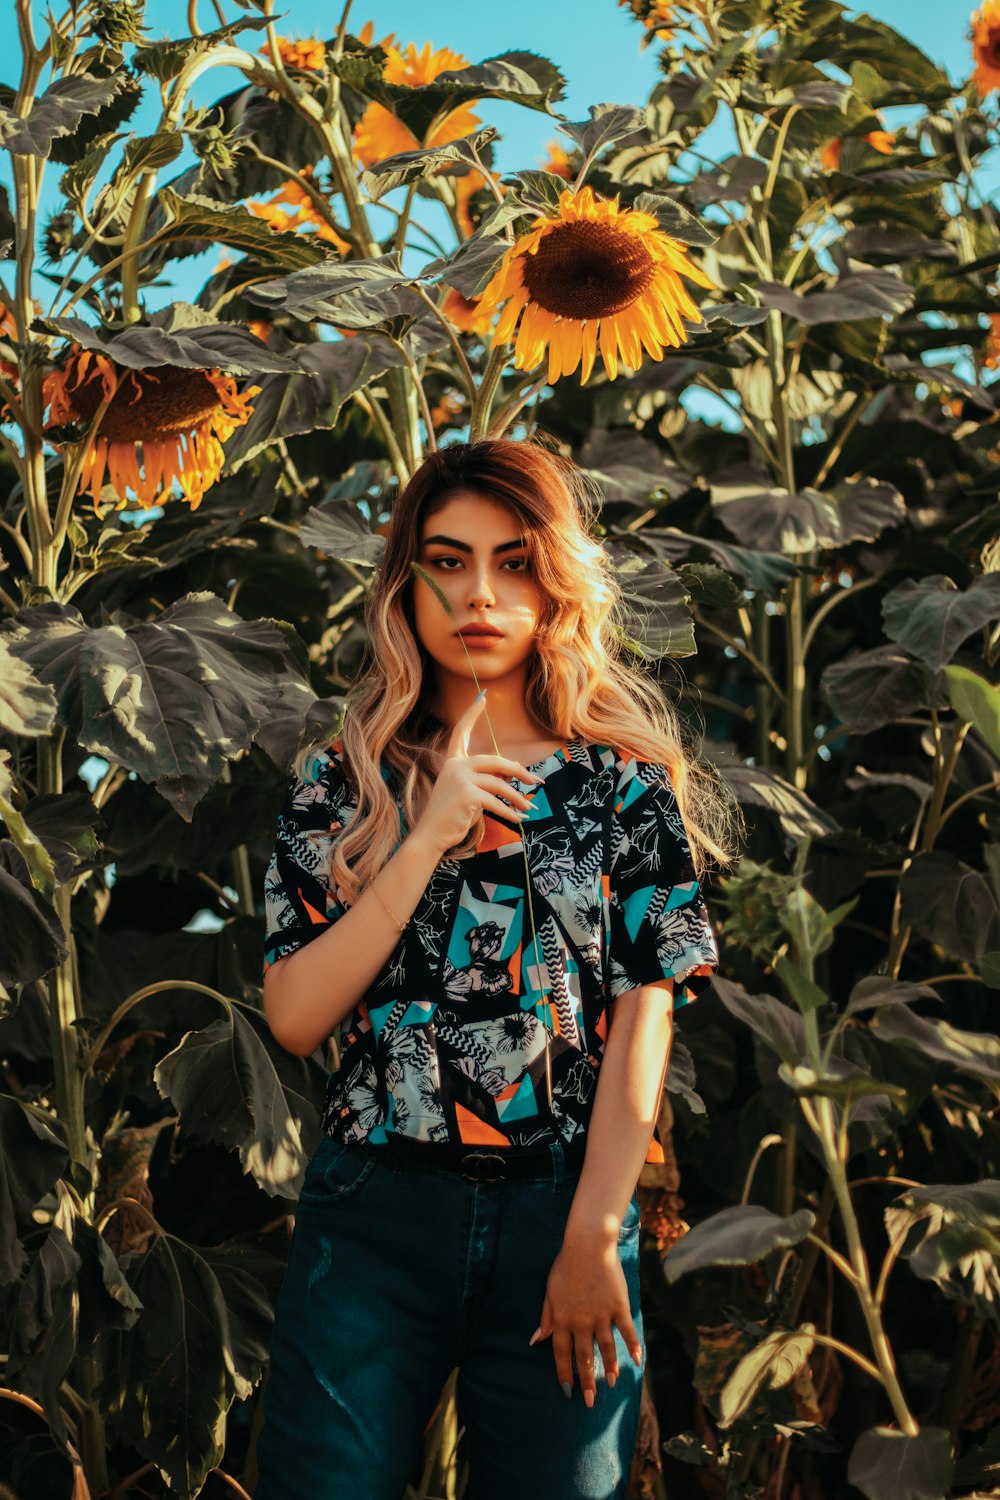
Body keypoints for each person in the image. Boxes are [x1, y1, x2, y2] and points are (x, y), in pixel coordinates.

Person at [254, 438, 739, 1500]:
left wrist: (596, 1238)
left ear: (553, 578)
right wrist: (425, 833)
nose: (478, 592)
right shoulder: (343, 785)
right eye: (447, 559)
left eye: (513, 561)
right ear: (405, 581)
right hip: (375, 1217)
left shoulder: (622, 790)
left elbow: (642, 1024)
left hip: (562, 1216)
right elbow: (293, 1016)